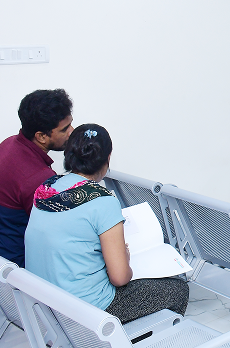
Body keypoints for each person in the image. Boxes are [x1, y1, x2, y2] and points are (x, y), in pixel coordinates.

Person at [24, 124, 188, 323]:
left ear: (68, 156)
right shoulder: (102, 200)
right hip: (87, 309)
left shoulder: (47, 188)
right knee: (177, 289)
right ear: (107, 159)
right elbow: (120, 278)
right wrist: (125, 259)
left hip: (44, 302)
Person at [0, 89, 74, 267]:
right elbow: (58, 235)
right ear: (41, 136)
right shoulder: (39, 179)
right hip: (24, 270)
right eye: (64, 129)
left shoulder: (9, 143)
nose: (72, 132)